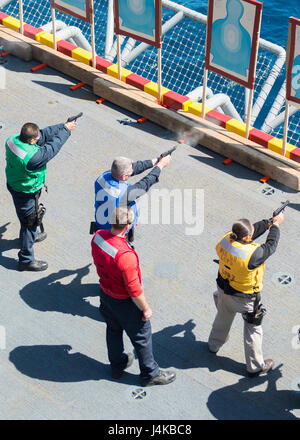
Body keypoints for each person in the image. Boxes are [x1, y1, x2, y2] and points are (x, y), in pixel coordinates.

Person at [91, 206, 176, 386]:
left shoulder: (98, 237)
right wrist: (145, 308)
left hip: (106, 295)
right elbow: (134, 290)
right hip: (125, 303)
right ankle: (150, 374)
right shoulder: (125, 256)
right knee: (142, 337)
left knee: (113, 330)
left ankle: (117, 366)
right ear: (128, 226)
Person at [208, 212, 284, 377]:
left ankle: (213, 345)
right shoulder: (252, 255)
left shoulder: (226, 240)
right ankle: (255, 367)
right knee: (253, 329)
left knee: (222, 318)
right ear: (248, 237)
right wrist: (276, 226)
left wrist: (269, 222)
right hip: (245, 299)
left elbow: (252, 230)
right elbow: (271, 246)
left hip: (223, 290)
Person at [5, 119, 77, 271]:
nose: (39, 139)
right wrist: (66, 131)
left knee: (26, 218)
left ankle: (29, 236)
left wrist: (63, 126)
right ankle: (25, 259)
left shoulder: (13, 139)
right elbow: (52, 148)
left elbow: (43, 135)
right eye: (36, 139)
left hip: (15, 183)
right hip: (26, 192)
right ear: (31, 140)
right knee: (30, 222)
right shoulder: (33, 158)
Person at [93, 154, 171, 243]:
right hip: (117, 233)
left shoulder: (103, 177)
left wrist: (156, 161)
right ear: (123, 177)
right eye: (129, 173)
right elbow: (145, 183)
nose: (132, 172)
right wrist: (160, 165)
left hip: (101, 225)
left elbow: (132, 168)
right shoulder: (124, 194)